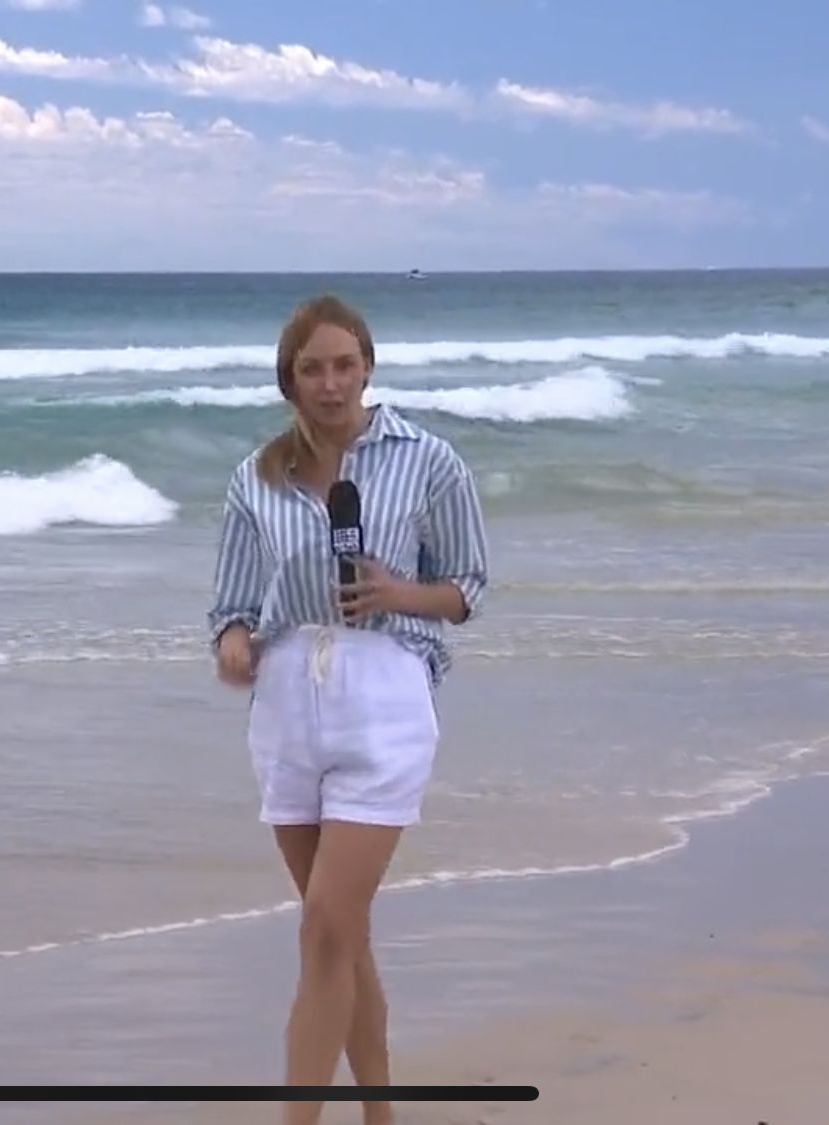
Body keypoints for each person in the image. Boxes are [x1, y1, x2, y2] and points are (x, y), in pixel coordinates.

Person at [207, 294, 489, 1125]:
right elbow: (229, 604)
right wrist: (233, 642)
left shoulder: (429, 460)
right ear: (288, 381)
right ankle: (380, 1114)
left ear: (367, 367)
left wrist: (400, 592)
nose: (331, 384)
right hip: (288, 701)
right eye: (312, 369)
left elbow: (468, 587)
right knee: (340, 933)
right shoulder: (256, 477)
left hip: (385, 692)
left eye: (344, 365)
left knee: (326, 929)